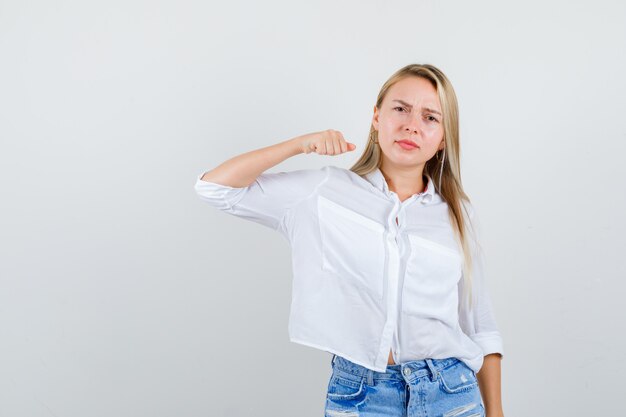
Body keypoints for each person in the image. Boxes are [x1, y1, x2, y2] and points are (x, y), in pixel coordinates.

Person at [194, 63, 504, 417]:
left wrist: (496, 413)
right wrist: (299, 145)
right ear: (376, 118)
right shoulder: (324, 192)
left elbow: (481, 326)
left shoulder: (459, 215)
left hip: (452, 394)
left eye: (430, 117)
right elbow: (214, 189)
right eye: (400, 109)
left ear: (444, 138)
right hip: (363, 395)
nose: (411, 125)